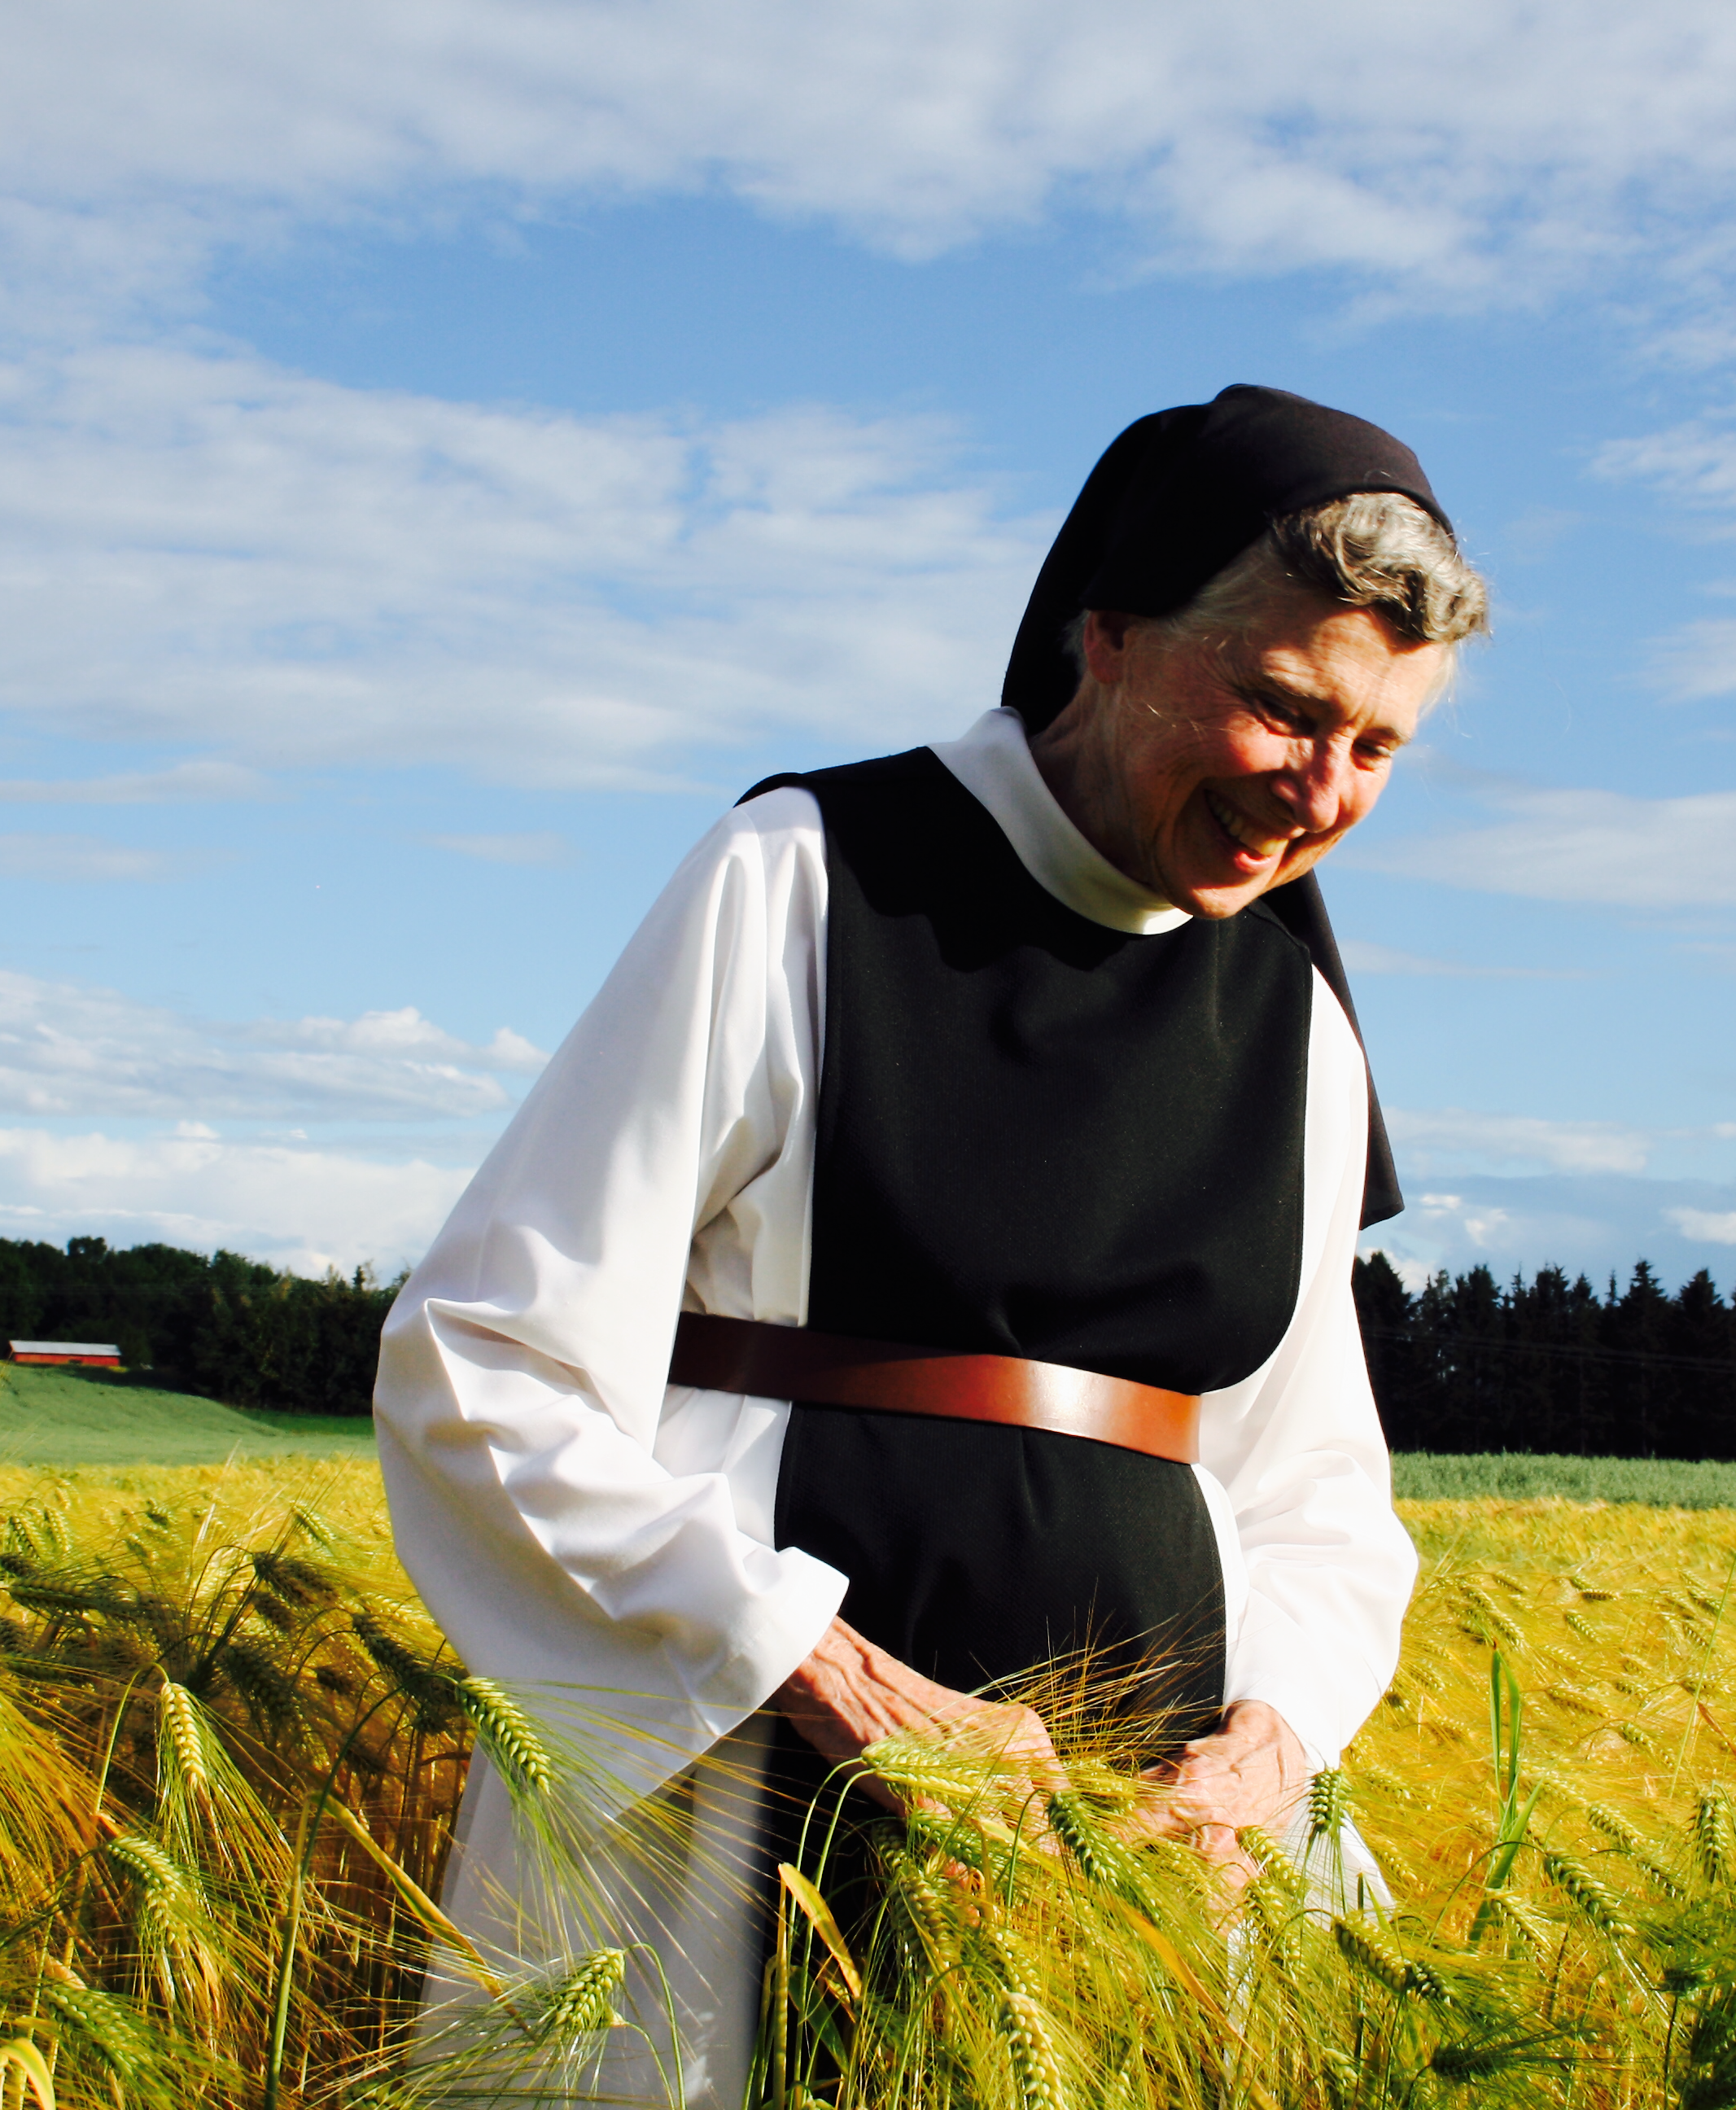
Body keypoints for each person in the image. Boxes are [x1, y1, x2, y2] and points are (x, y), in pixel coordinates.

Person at [373, 383, 1488, 2107]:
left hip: (1131, 1880)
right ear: (1105, 638)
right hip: (742, 1800)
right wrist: (812, 1667)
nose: (1322, 793)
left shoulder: (1300, 1024)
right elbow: (486, 1360)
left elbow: (1317, 1490)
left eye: (1382, 747)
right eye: (1284, 708)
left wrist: (1272, 1741)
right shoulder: (809, 878)